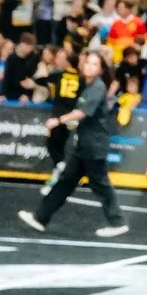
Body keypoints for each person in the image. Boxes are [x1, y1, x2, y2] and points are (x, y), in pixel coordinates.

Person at [19, 48, 129, 236]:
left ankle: (117, 222)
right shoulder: (88, 85)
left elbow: (83, 112)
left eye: (94, 64)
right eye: (87, 62)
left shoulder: (97, 87)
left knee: (100, 184)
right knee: (65, 182)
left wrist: (58, 120)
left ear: (101, 69)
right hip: (84, 145)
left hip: (93, 146)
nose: (89, 66)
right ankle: (40, 218)